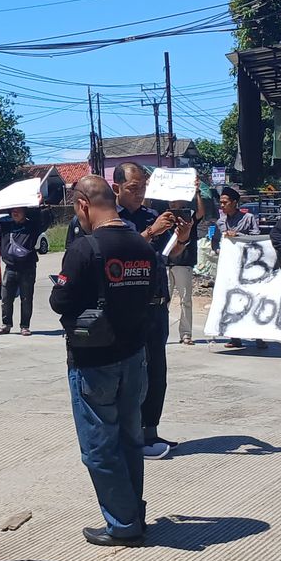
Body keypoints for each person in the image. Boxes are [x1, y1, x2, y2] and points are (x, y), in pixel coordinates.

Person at [52, 174, 156, 547]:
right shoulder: (143, 246)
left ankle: (124, 523)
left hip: (94, 362)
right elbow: (155, 295)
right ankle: (134, 512)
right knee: (130, 440)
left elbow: (60, 301)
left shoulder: (85, 248)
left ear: (82, 204)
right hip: (135, 357)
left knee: (98, 447)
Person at [111, 162, 187, 460]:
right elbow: (120, 250)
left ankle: (150, 431)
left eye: (143, 187)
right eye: (133, 188)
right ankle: (129, 435)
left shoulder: (151, 216)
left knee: (157, 372)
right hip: (130, 308)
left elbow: (166, 256)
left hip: (157, 304)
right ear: (116, 187)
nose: (139, 194)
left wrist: (181, 237)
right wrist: (149, 233)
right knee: (131, 374)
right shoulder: (111, 220)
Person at [212, 186, 263, 350]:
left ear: (234, 203)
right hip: (230, 268)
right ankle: (235, 337)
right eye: (220, 203)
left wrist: (238, 236)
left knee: (254, 299)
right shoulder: (220, 222)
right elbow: (215, 241)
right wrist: (218, 249)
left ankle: (259, 337)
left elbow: (256, 238)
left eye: (225, 203)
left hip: (248, 267)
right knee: (233, 301)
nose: (222, 206)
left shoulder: (248, 218)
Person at [0, 205, 51, 336]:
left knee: (26, 298)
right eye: (13, 210)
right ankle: (6, 324)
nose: (15, 213)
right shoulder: (5, 225)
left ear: (25, 212)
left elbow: (46, 220)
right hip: (10, 268)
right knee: (6, 298)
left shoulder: (32, 226)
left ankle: (25, 326)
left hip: (27, 269)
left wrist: (40, 206)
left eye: (18, 210)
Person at [166, 195, 205, 347]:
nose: (173, 201)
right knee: (163, 301)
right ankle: (162, 333)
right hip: (165, 263)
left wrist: (197, 193)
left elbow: (201, 212)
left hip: (183, 263)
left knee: (185, 301)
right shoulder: (163, 217)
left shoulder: (189, 218)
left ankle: (186, 334)